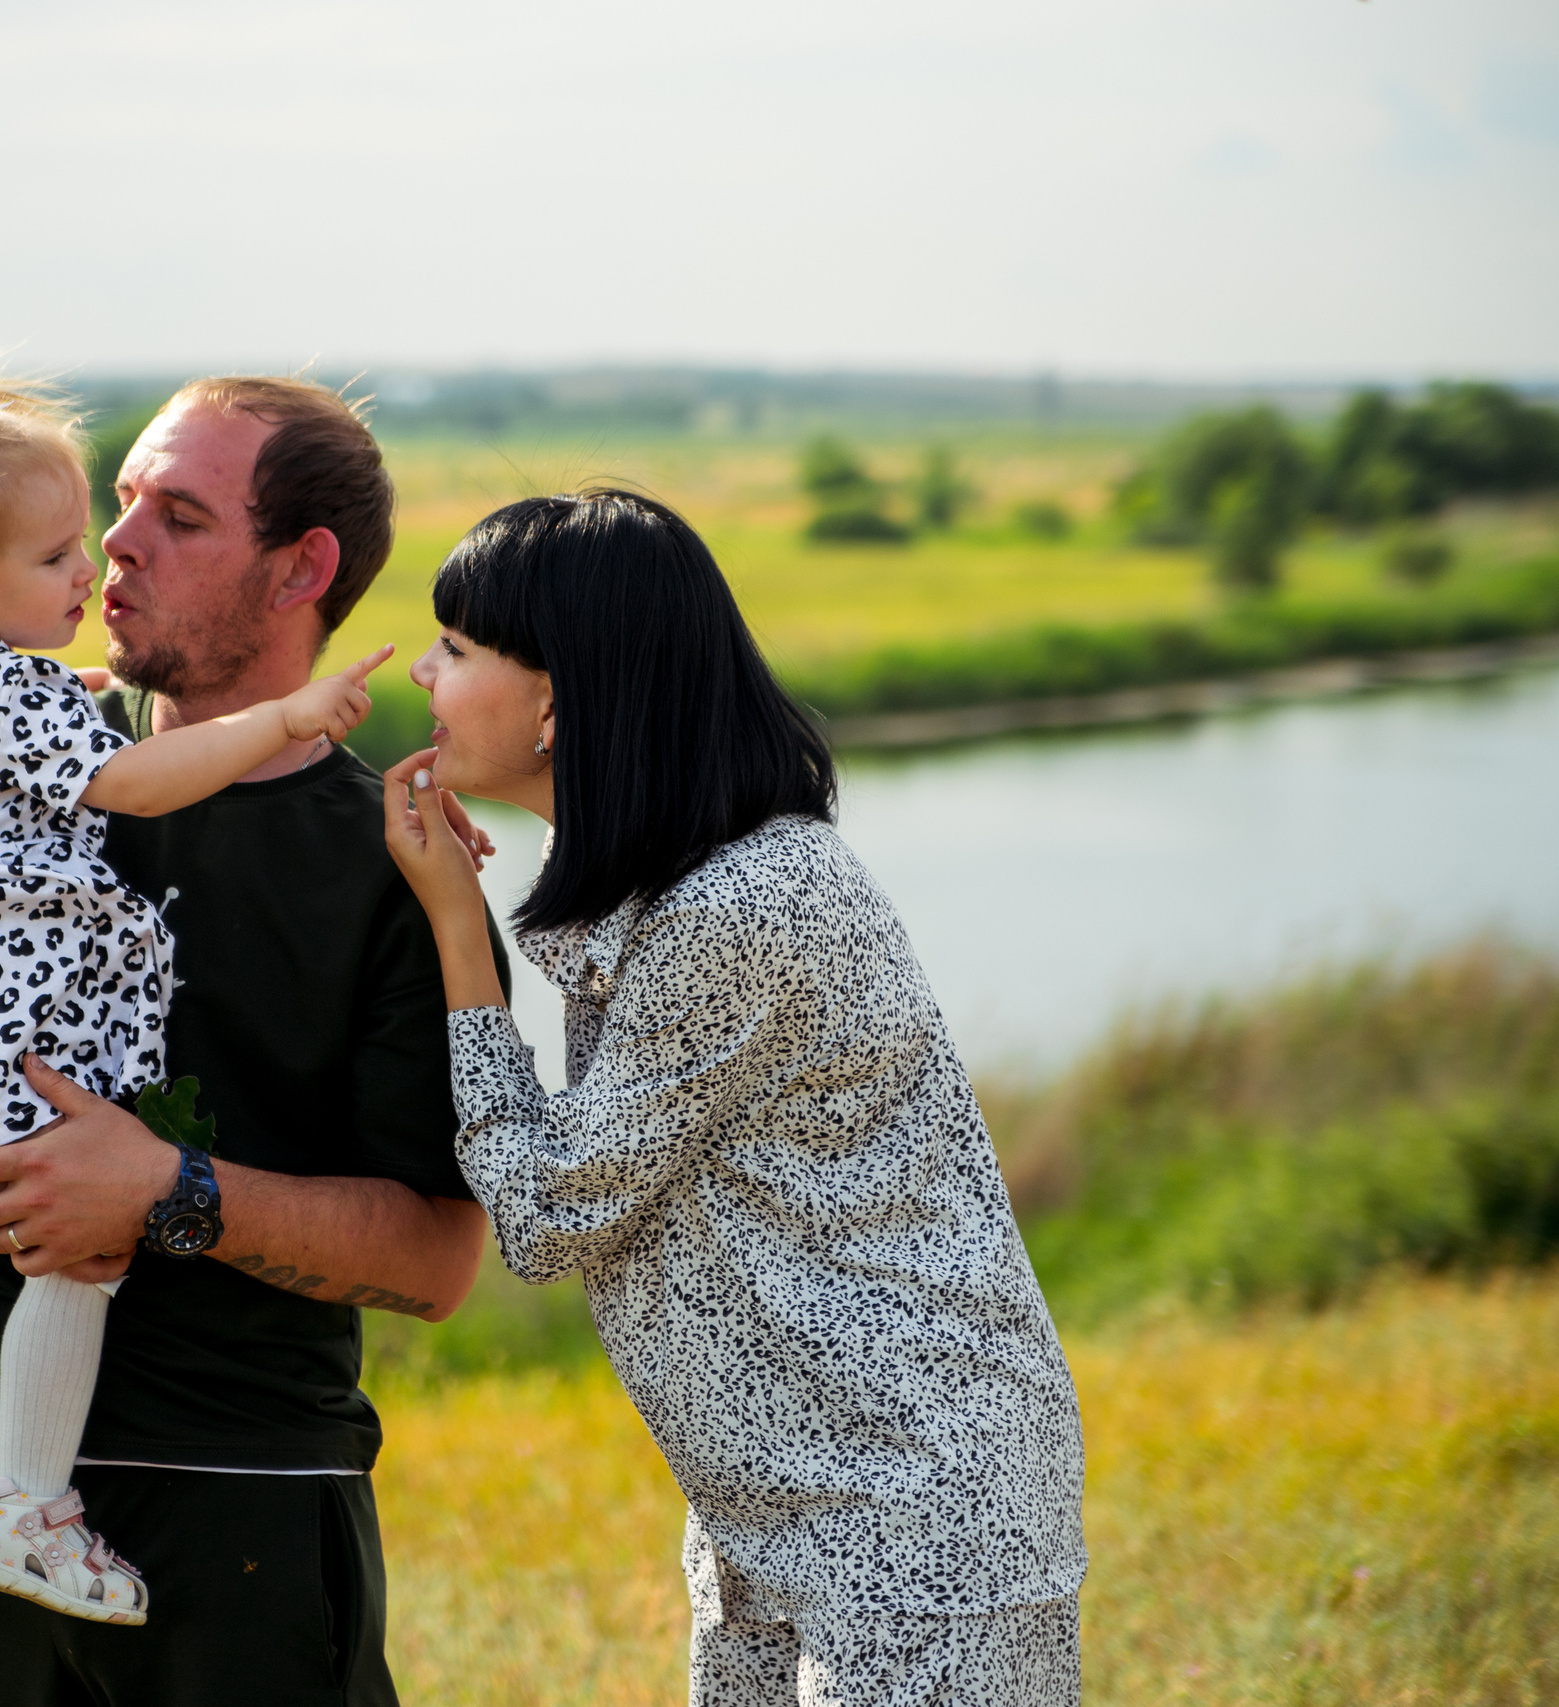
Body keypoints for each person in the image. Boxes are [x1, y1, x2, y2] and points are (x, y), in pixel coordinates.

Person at [0, 374, 502, 1706]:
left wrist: (171, 1192)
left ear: (301, 568)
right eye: (116, 508)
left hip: (249, 1519)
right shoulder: (17, 745)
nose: (117, 546)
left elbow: (441, 1259)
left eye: (180, 515)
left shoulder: (398, 860)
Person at [380, 489, 1087, 1707]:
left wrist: (457, 930)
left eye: (453, 650)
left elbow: (549, 1217)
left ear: (555, 697)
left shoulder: (739, 905)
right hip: (777, 1516)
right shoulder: (662, 890)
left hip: (915, 1521)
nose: (421, 681)